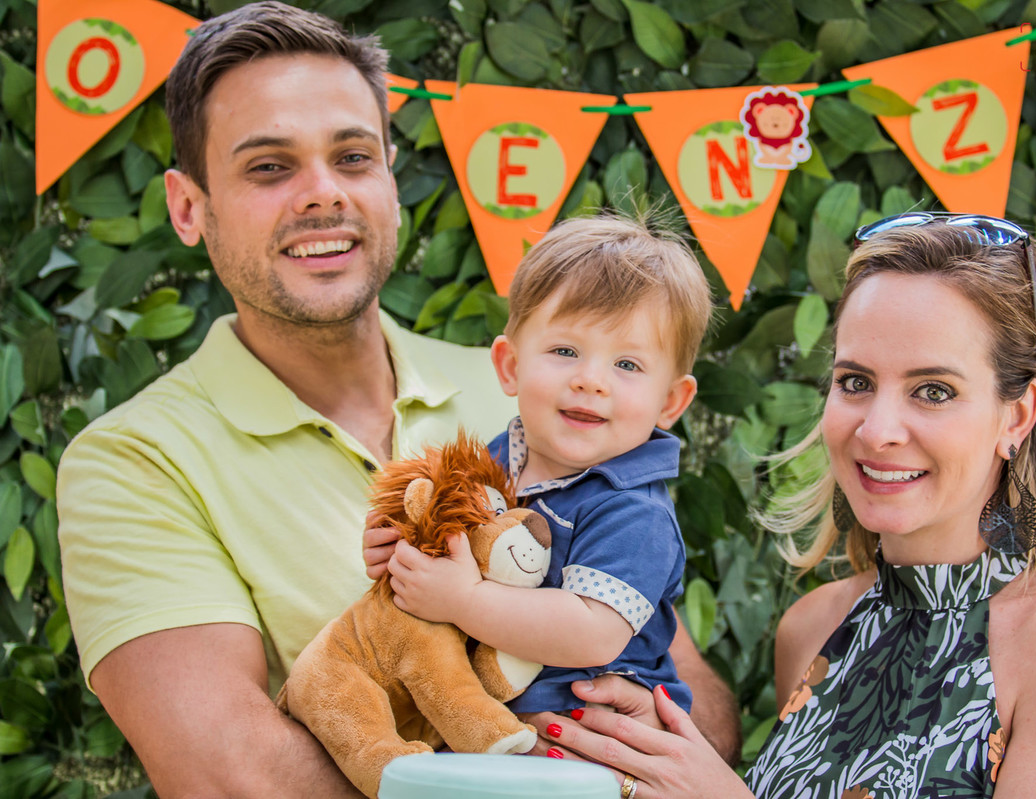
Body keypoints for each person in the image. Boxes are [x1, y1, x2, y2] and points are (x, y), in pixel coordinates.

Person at [54, 4, 736, 797]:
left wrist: (641, 741)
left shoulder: (539, 400)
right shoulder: (133, 462)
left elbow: (689, 686)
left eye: (351, 157)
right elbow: (233, 775)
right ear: (187, 206)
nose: (321, 195)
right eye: (269, 166)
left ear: (389, 180)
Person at [531, 214, 1036, 799]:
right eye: (856, 381)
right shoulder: (812, 627)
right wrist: (658, 747)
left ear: (1016, 416)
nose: (877, 430)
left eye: (933, 390)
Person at [373, 215, 711, 716]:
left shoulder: (634, 511)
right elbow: (444, 541)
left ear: (671, 401)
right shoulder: (493, 461)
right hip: (486, 723)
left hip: (586, 738)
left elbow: (591, 632)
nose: (591, 380)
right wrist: (399, 555)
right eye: (565, 350)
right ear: (511, 366)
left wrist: (462, 600)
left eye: (627, 365)